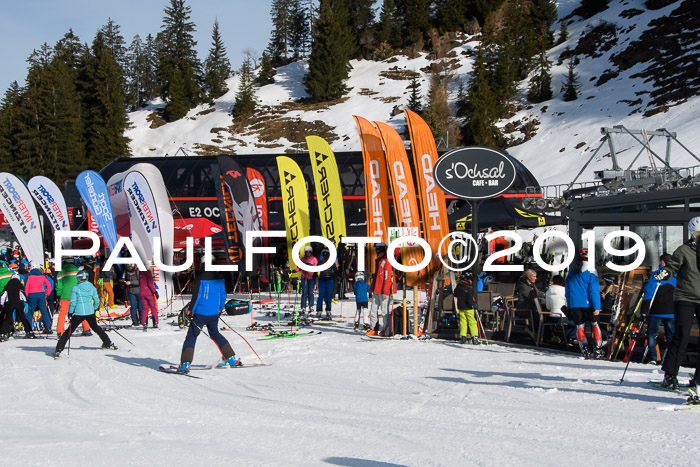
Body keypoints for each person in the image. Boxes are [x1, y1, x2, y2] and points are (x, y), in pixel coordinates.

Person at [656, 216, 700, 390]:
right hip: (685, 298)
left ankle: (698, 380)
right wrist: (665, 274)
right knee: (682, 335)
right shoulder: (684, 251)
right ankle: (670, 375)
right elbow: (672, 267)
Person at [176, 269, 239, 373]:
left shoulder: (200, 277)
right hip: (214, 313)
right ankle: (231, 359)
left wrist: (190, 310)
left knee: (191, 336)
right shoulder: (220, 278)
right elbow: (223, 295)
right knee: (215, 334)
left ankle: (185, 363)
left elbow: (197, 296)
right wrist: (220, 308)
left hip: (200, 313)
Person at [54, 270, 117, 358]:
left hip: (78, 313)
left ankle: (59, 349)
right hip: (90, 312)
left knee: (69, 331)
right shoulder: (92, 287)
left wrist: (70, 312)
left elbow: (73, 302)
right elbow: (96, 300)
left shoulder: (76, 288)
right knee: (96, 328)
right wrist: (94, 308)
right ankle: (107, 342)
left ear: (79, 279)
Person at [565, 250, 603, 359]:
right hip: (589, 304)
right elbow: (594, 290)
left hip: (575, 304)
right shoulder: (591, 271)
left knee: (579, 327)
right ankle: (598, 349)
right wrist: (597, 307)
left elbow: (567, 291)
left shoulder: (571, 272)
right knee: (595, 325)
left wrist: (569, 305)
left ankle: (584, 349)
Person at [641, 254, 676, 365]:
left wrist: (645, 308)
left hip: (656, 309)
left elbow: (649, 291)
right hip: (672, 310)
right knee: (671, 334)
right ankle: (670, 357)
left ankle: (653, 357)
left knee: (651, 333)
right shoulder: (676, 275)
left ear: (662, 262)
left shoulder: (656, 275)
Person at [366, 243, 396, 337]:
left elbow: (387, 278)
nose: (377, 252)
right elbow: (379, 276)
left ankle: (386, 330)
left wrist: (385, 291)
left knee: (384, 311)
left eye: (379, 250)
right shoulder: (379, 261)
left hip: (383, 291)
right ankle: (374, 328)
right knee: (373, 310)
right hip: (377, 290)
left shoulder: (387, 261)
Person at [56, 261, 91, 337]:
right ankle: (87, 329)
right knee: (81, 312)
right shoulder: (77, 272)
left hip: (65, 296)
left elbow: (59, 285)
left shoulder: (61, 272)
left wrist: (59, 294)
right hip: (76, 295)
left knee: (62, 314)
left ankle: (60, 332)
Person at [1, 274, 35, 339]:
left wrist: (2, 304)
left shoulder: (7, 286)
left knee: (8, 318)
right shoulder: (20, 285)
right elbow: (23, 294)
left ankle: (3, 333)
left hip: (9, 303)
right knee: (23, 318)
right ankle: (29, 332)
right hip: (18, 303)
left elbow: (3, 296)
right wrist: (26, 302)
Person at [545, 275, 577, 342]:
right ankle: (569, 337)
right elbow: (568, 305)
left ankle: (565, 338)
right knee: (577, 323)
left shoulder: (548, 291)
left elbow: (548, 306)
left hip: (551, 316)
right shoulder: (564, 291)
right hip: (562, 316)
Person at [24, 266, 53, 334]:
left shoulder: (29, 276)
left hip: (32, 295)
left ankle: (29, 329)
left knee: (30, 312)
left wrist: (27, 295)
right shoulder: (42, 276)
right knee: (44, 311)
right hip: (41, 294)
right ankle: (48, 327)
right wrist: (47, 293)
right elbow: (48, 284)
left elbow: (26, 286)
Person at [516, 269, 544, 335]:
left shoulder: (531, 284)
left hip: (531, 307)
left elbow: (537, 293)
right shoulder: (524, 286)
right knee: (540, 315)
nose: (536, 278)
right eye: (534, 276)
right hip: (524, 309)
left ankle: (539, 332)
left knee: (542, 313)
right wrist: (544, 301)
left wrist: (546, 295)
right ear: (529, 277)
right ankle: (533, 331)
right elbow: (532, 298)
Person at [455, 272, 480, 345]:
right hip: (468, 308)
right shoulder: (469, 288)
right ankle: (474, 337)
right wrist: (473, 305)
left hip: (461, 307)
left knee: (463, 322)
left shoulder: (459, 286)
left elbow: (455, 294)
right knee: (472, 322)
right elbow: (469, 299)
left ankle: (463, 336)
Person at [315, 248, 336, 319]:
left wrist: (338, 274)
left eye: (327, 256)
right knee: (320, 296)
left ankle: (328, 310)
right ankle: (319, 310)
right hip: (322, 281)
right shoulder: (320, 262)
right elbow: (316, 271)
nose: (326, 258)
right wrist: (314, 276)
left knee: (328, 297)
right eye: (325, 256)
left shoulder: (331, 263)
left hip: (329, 281)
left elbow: (336, 271)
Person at [297, 246, 317, 314]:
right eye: (307, 252)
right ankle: (303, 306)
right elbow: (299, 267)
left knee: (310, 292)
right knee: (304, 293)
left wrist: (311, 267)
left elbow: (316, 266)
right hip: (304, 277)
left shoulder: (314, 259)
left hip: (311, 277)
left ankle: (311, 305)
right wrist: (293, 271)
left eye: (309, 252)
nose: (308, 253)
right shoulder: (302, 259)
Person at [139, 263, 158, 331]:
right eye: (151, 267)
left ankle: (144, 323)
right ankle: (155, 322)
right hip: (148, 292)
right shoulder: (148, 273)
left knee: (145, 309)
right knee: (153, 308)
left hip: (141, 292)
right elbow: (150, 284)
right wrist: (155, 292)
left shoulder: (140, 273)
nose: (152, 268)